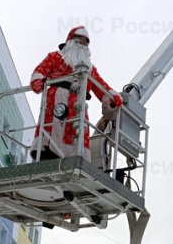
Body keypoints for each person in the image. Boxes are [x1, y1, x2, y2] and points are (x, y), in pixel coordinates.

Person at [29, 26, 123, 161]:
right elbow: (40, 71)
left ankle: (76, 156)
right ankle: (47, 151)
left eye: (86, 41)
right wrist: (38, 81)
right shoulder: (55, 57)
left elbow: (101, 87)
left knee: (77, 132)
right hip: (57, 99)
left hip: (78, 103)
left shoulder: (90, 69)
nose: (82, 43)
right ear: (70, 40)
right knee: (52, 129)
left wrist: (113, 96)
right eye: (79, 39)